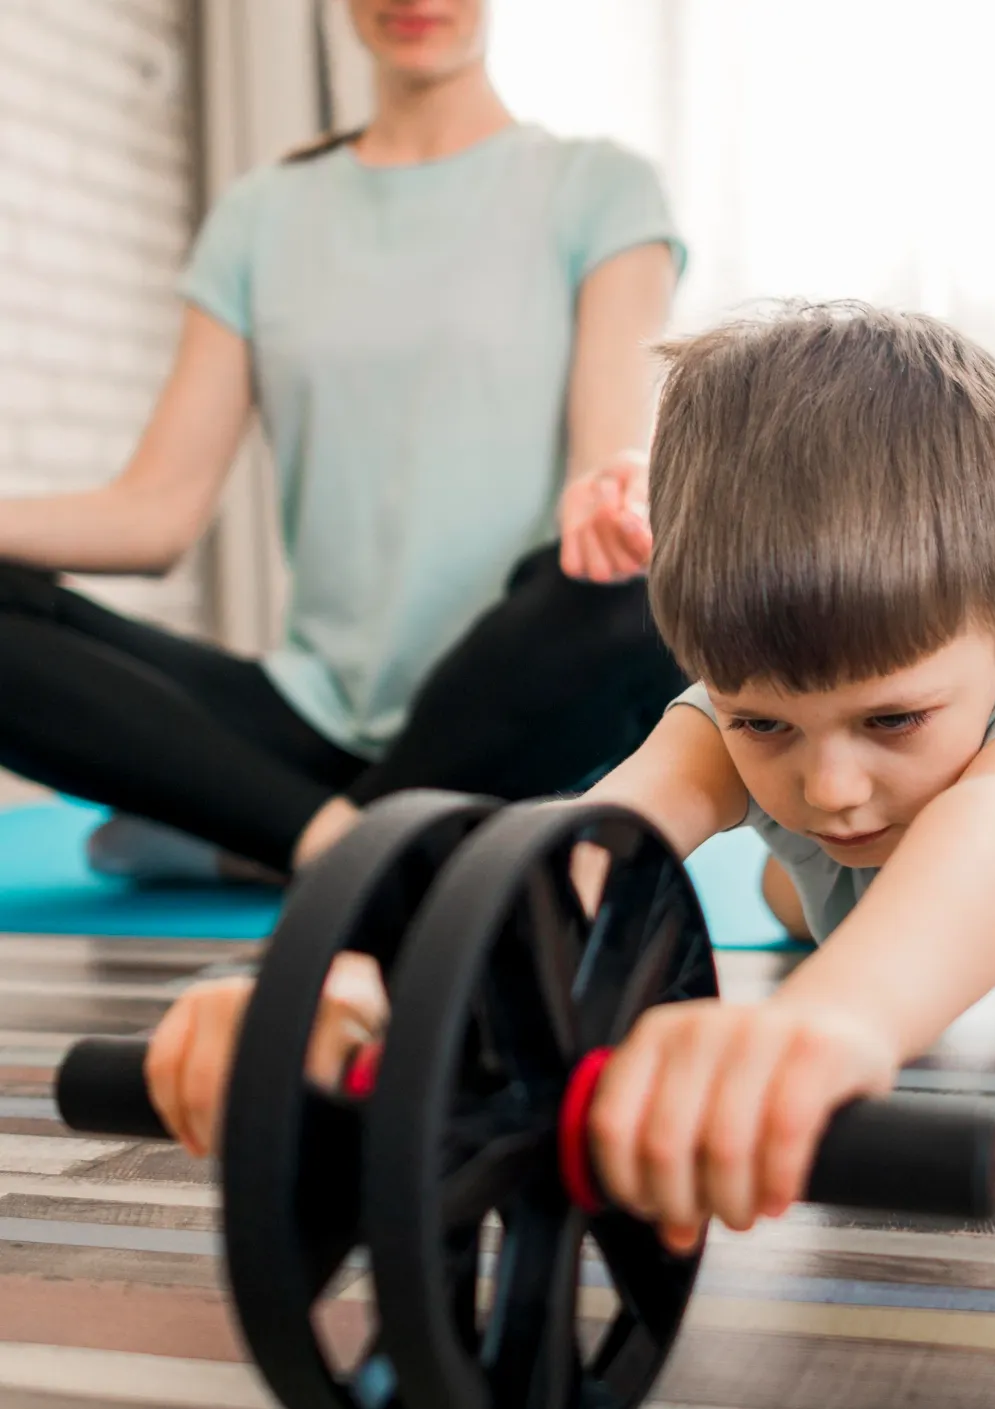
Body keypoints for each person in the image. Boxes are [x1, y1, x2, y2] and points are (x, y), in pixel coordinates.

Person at [143, 303, 995, 1257]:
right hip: (951, 601)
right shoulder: (756, 696)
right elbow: (598, 835)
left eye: (891, 719)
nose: (835, 788)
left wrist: (819, 1031)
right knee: (830, 892)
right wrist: (360, 980)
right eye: (763, 724)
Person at [0, 0, 686, 883]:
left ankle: (262, 833)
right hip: (310, 716)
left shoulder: (601, 188)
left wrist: (610, 497)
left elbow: (604, 461)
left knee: (638, 605)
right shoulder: (259, 214)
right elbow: (154, 516)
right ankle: (352, 844)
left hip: (517, 701)